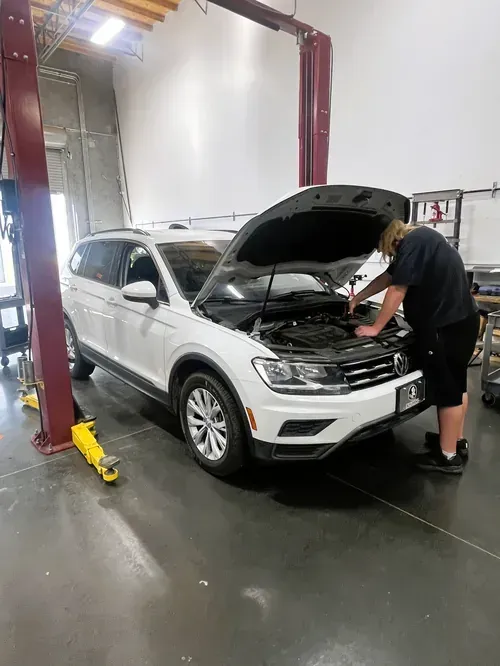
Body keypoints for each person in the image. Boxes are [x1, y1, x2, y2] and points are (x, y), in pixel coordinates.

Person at [349, 220, 479, 474]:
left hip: (444, 327)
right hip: (462, 321)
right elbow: (388, 277)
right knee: (457, 383)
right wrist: (358, 297)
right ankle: (455, 442)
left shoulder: (412, 244)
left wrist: (375, 328)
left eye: (385, 249)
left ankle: (447, 457)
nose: (389, 254)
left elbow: (397, 289)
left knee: (447, 392)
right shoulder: (425, 239)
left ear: (390, 240)